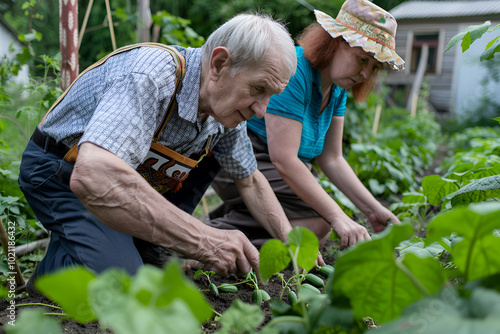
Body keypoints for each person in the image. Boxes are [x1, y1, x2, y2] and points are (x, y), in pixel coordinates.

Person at [18, 12, 298, 294]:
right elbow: (94, 175)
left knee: (214, 157)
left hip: (123, 181)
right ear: (219, 64)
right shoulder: (150, 74)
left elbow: (249, 179)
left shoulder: (224, 110)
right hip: (61, 169)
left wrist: (294, 244)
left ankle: (135, 248)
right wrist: (203, 240)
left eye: (270, 96)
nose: (262, 110)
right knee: (123, 285)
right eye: (259, 89)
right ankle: (50, 278)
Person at [207, 0, 404, 252]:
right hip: (245, 160)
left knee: (314, 229)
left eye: (374, 68)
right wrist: (337, 216)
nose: (365, 75)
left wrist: (374, 209)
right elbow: (284, 159)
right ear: (336, 42)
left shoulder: (336, 88)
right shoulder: (295, 70)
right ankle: (217, 238)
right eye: (363, 59)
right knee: (321, 222)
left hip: (276, 169)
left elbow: (331, 158)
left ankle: (231, 228)